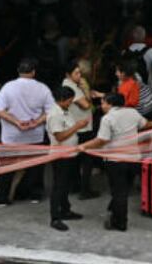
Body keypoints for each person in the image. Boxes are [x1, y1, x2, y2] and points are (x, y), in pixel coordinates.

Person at [80, 92, 152, 231]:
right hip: (134, 159)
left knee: (119, 192)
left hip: (116, 161)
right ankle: (114, 212)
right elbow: (145, 124)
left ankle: (120, 223)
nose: (101, 106)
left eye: (103, 103)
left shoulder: (107, 118)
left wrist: (84, 146)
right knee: (124, 190)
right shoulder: (132, 112)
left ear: (110, 104)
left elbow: (102, 140)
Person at [0, 59, 57, 204]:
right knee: (35, 166)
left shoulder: (8, 87)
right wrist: (36, 122)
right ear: (34, 72)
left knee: (7, 167)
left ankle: (2, 197)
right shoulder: (43, 88)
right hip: (35, 135)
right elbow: (52, 111)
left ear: (18, 71)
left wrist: (16, 122)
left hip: (11, 136)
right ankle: (34, 195)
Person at [46, 85, 90, 231]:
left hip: (70, 153)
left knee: (65, 185)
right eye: (69, 101)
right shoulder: (55, 114)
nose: (71, 103)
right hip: (60, 155)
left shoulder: (65, 110)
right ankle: (55, 217)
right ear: (62, 100)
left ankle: (65, 210)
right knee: (59, 186)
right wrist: (77, 126)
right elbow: (59, 136)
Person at [62, 60, 98, 199]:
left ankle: (76, 186)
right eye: (76, 73)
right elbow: (86, 105)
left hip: (79, 126)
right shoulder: (71, 87)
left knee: (76, 159)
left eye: (79, 72)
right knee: (87, 159)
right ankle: (85, 189)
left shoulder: (72, 85)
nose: (79, 75)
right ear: (68, 75)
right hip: (82, 128)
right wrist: (86, 91)